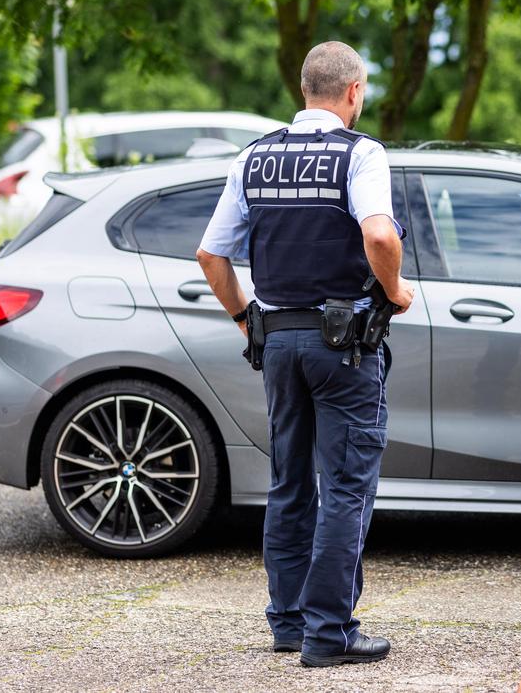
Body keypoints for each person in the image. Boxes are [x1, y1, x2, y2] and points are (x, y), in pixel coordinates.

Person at [195, 41, 414, 667]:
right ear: (352, 93)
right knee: (345, 486)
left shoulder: (255, 157)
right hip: (342, 346)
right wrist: (395, 293)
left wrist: (246, 319)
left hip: (279, 341)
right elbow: (377, 232)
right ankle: (330, 632)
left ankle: (288, 623)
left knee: (290, 484)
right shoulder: (361, 153)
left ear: (303, 90)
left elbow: (211, 254)